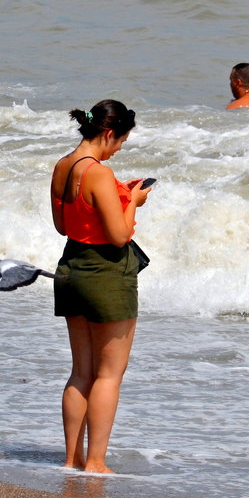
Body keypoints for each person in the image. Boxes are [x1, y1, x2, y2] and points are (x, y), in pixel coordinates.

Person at [49, 99, 154, 473]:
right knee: (109, 373)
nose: (120, 148)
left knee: (81, 371)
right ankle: (95, 462)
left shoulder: (63, 166)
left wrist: (118, 196)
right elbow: (119, 235)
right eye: (121, 141)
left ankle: (71, 458)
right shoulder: (98, 174)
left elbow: (64, 225)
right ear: (109, 133)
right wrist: (135, 201)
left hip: (71, 268)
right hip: (106, 275)